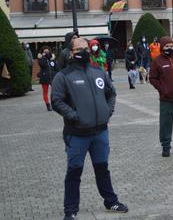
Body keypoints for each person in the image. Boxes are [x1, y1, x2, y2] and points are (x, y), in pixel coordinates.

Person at [51, 38, 128, 220]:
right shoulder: (63, 76)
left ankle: (111, 201)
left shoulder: (98, 71)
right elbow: (56, 101)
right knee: (74, 172)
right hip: (77, 134)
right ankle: (70, 210)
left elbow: (111, 93)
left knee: (102, 168)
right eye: (79, 49)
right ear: (71, 53)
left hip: (100, 132)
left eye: (86, 48)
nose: (84, 51)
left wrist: (107, 112)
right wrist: (74, 116)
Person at [37, 46, 57, 111]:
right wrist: (44, 57)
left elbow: (56, 67)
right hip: (44, 77)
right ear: (42, 52)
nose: (46, 52)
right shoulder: (41, 58)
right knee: (45, 92)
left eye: (47, 51)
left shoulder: (52, 58)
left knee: (55, 91)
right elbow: (42, 65)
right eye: (45, 51)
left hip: (53, 77)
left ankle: (54, 103)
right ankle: (48, 104)